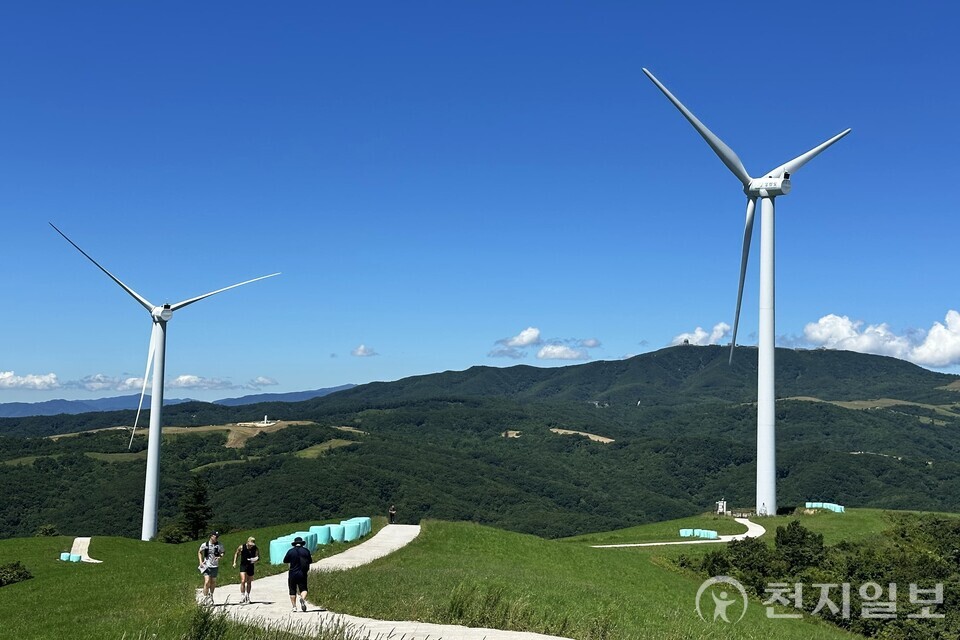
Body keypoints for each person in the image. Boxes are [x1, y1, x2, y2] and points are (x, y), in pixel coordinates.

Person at [282, 536, 313, 613]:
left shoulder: (291, 551)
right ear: (302, 543)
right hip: (302, 573)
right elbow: (310, 561)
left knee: (292, 589)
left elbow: (285, 560)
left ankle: (294, 607)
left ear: (294, 544)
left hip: (292, 573)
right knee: (304, 589)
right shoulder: (306, 551)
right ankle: (302, 598)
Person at [198, 531, 224, 606]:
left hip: (215, 566)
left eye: (217, 537)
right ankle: (205, 598)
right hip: (206, 566)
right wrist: (200, 562)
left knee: (213, 582)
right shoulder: (205, 545)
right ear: (211, 536)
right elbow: (199, 552)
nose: (217, 538)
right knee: (207, 582)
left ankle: (211, 595)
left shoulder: (219, 545)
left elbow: (223, 552)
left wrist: (220, 556)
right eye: (215, 536)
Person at [232, 536, 260, 604]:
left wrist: (254, 560)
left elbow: (258, 557)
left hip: (251, 565)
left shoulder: (255, 548)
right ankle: (242, 595)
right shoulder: (242, 547)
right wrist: (234, 562)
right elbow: (236, 553)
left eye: (252, 545)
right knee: (243, 580)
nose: (251, 546)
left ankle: (247, 595)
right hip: (243, 565)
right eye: (250, 545)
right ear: (247, 542)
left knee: (249, 582)